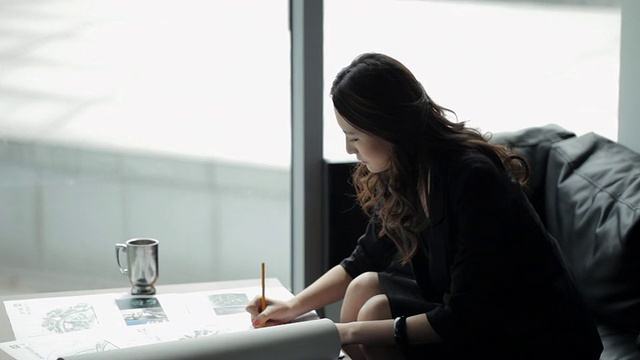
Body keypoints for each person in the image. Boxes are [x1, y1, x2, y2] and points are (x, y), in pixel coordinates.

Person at [246, 53, 603, 359]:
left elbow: (466, 314)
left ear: (387, 127)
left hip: (532, 332)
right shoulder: (403, 170)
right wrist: (293, 308)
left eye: (353, 136)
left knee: (372, 313)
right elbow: (363, 260)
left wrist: (341, 332)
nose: (348, 150)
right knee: (365, 287)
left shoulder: (472, 177)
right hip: (469, 310)